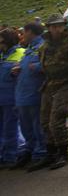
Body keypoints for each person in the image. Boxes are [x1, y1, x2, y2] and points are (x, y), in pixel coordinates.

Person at [37, 14, 68, 170]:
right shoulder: (45, 46)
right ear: (48, 27)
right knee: (45, 120)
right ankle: (51, 154)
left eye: (59, 25)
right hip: (49, 83)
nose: (56, 29)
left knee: (57, 118)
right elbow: (42, 63)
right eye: (53, 26)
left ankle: (63, 154)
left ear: (64, 26)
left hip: (65, 83)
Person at [14, 23, 47, 171]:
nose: (22, 35)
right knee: (27, 127)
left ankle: (40, 154)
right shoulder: (29, 49)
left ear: (30, 32)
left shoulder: (42, 46)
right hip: (23, 95)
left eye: (24, 32)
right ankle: (31, 151)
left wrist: (37, 67)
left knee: (37, 126)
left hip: (35, 93)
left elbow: (49, 64)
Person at [0, 28, 25, 169]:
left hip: (12, 98)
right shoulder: (1, 55)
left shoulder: (20, 53)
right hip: (2, 98)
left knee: (11, 128)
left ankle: (11, 156)